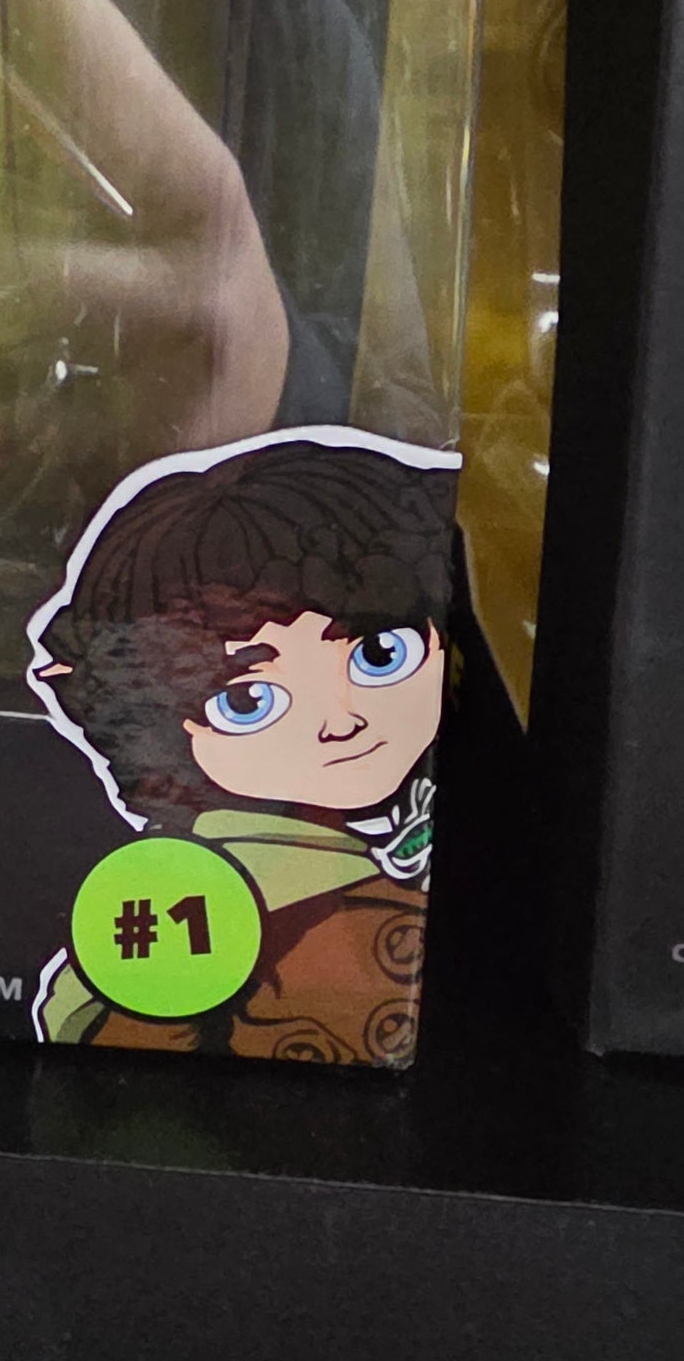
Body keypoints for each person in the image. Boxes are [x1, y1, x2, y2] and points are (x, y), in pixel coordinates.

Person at [28, 434, 453, 1063]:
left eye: (380, 655)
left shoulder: (396, 838)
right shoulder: (199, 895)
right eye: (249, 701)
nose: (341, 722)